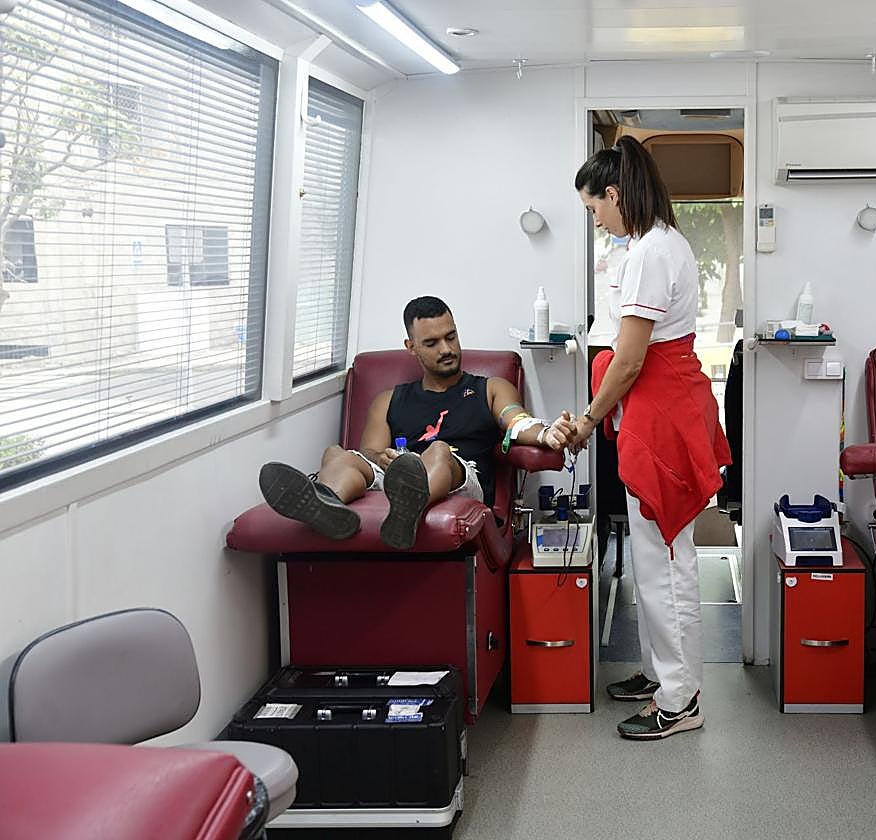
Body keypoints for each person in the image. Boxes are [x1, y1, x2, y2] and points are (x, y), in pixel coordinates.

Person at [573, 136, 731, 741]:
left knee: (665, 560)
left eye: (595, 209)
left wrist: (588, 419)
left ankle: (679, 699)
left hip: (660, 413)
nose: (597, 219)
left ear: (613, 195)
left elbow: (629, 360)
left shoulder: (648, 253)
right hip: (666, 405)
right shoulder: (660, 242)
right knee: (656, 557)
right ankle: (661, 674)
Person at [258, 296, 575, 549]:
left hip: (460, 476)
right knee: (336, 455)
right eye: (432, 343)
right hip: (398, 473)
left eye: (451, 337)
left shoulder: (490, 388)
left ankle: (410, 506)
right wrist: (380, 458)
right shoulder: (388, 399)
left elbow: (517, 422)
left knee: (437, 451)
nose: (447, 349)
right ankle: (327, 505)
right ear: (411, 347)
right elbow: (369, 450)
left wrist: (548, 434)